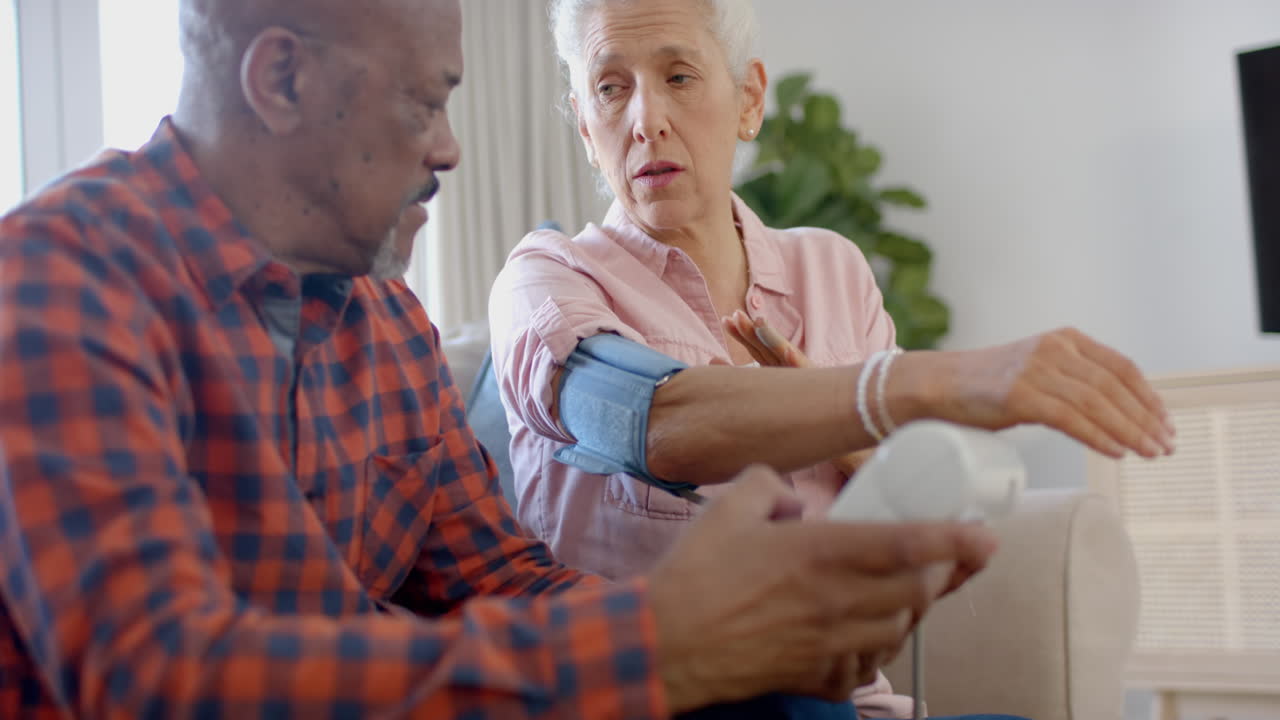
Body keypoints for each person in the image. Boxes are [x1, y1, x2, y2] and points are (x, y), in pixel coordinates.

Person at [0, 0, 1011, 718]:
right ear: (281, 78)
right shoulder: (62, 276)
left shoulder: (386, 323)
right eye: (421, 101)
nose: (447, 149)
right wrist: (660, 644)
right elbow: (160, 674)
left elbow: (505, 580)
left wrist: (742, 630)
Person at [488, 0, 1175, 716]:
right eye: (611, 87)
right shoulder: (547, 278)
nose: (645, 118)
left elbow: (941, 524)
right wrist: (890, 392)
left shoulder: (832, 270)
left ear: (749, 99)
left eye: (680, 76)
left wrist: (837, 421)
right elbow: (642, 419)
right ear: (584, 126)